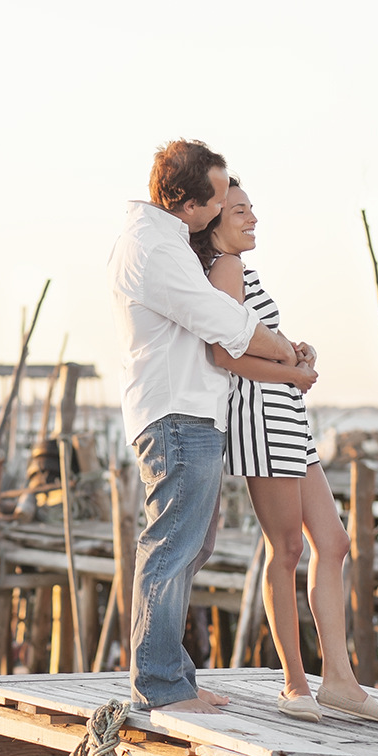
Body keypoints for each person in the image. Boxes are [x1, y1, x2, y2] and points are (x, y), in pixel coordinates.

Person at [194, 180, 378, 724]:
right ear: (215, 220)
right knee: (286, 549)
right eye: (240, 210)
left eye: (251, 209)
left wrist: (295, 351)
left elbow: (256, 340)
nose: (253, 218)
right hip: (261, 419)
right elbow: (225, 356)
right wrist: (294, 370)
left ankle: (339, 679)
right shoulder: (225, 268)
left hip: (287, 416)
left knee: (331, 542)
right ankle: (294, 684)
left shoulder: (245, 272)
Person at [108, 140, 300, 714]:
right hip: (175, 413)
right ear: (187, 203)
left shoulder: (163, 242)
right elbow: (219, 319)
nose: (222, 210)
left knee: (190, 546)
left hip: (188, 411)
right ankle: (161, 686)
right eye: (216, 200)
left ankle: (175, 678)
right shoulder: (153, 248)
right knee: (172, 545)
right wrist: (285, 350)